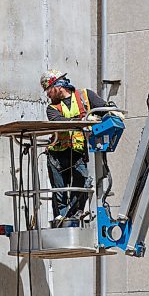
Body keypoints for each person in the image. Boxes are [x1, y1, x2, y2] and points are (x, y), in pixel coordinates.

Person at [40, 69, 107, 221]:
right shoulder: (52, 108)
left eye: (49, 90)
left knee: (81, 185)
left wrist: (109, 113)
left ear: (58, 86)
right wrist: (84, 120)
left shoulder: (85, 96)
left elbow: (105, 109)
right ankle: (61, 220)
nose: (48, 95)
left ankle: (75, 218)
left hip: (78, 153)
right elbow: (59, 122)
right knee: (60, 192)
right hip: (57, 155)